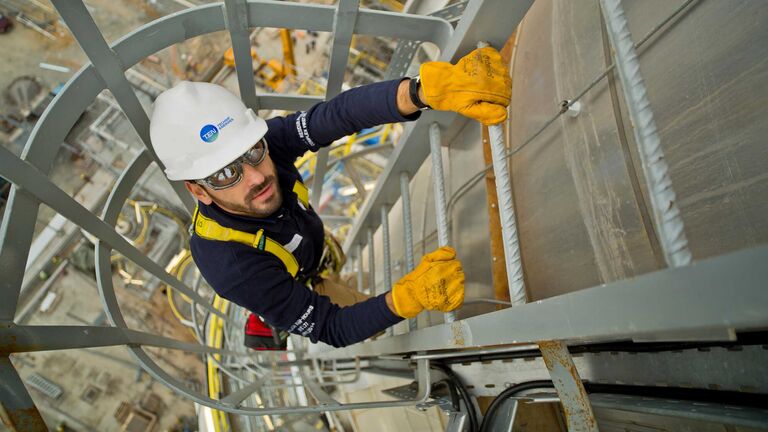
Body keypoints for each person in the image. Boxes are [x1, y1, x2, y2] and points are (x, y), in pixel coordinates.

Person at [149, 47, 511, 348]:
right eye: (226, 174)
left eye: (254, 153)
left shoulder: (258, 146)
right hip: (301, 281)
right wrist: (407, 299)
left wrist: (419, 93)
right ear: (197, 190)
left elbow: (335, 116)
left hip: (312, 248)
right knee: (370, 318)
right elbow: (332, 326)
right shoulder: (232, 266)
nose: (257, 176)